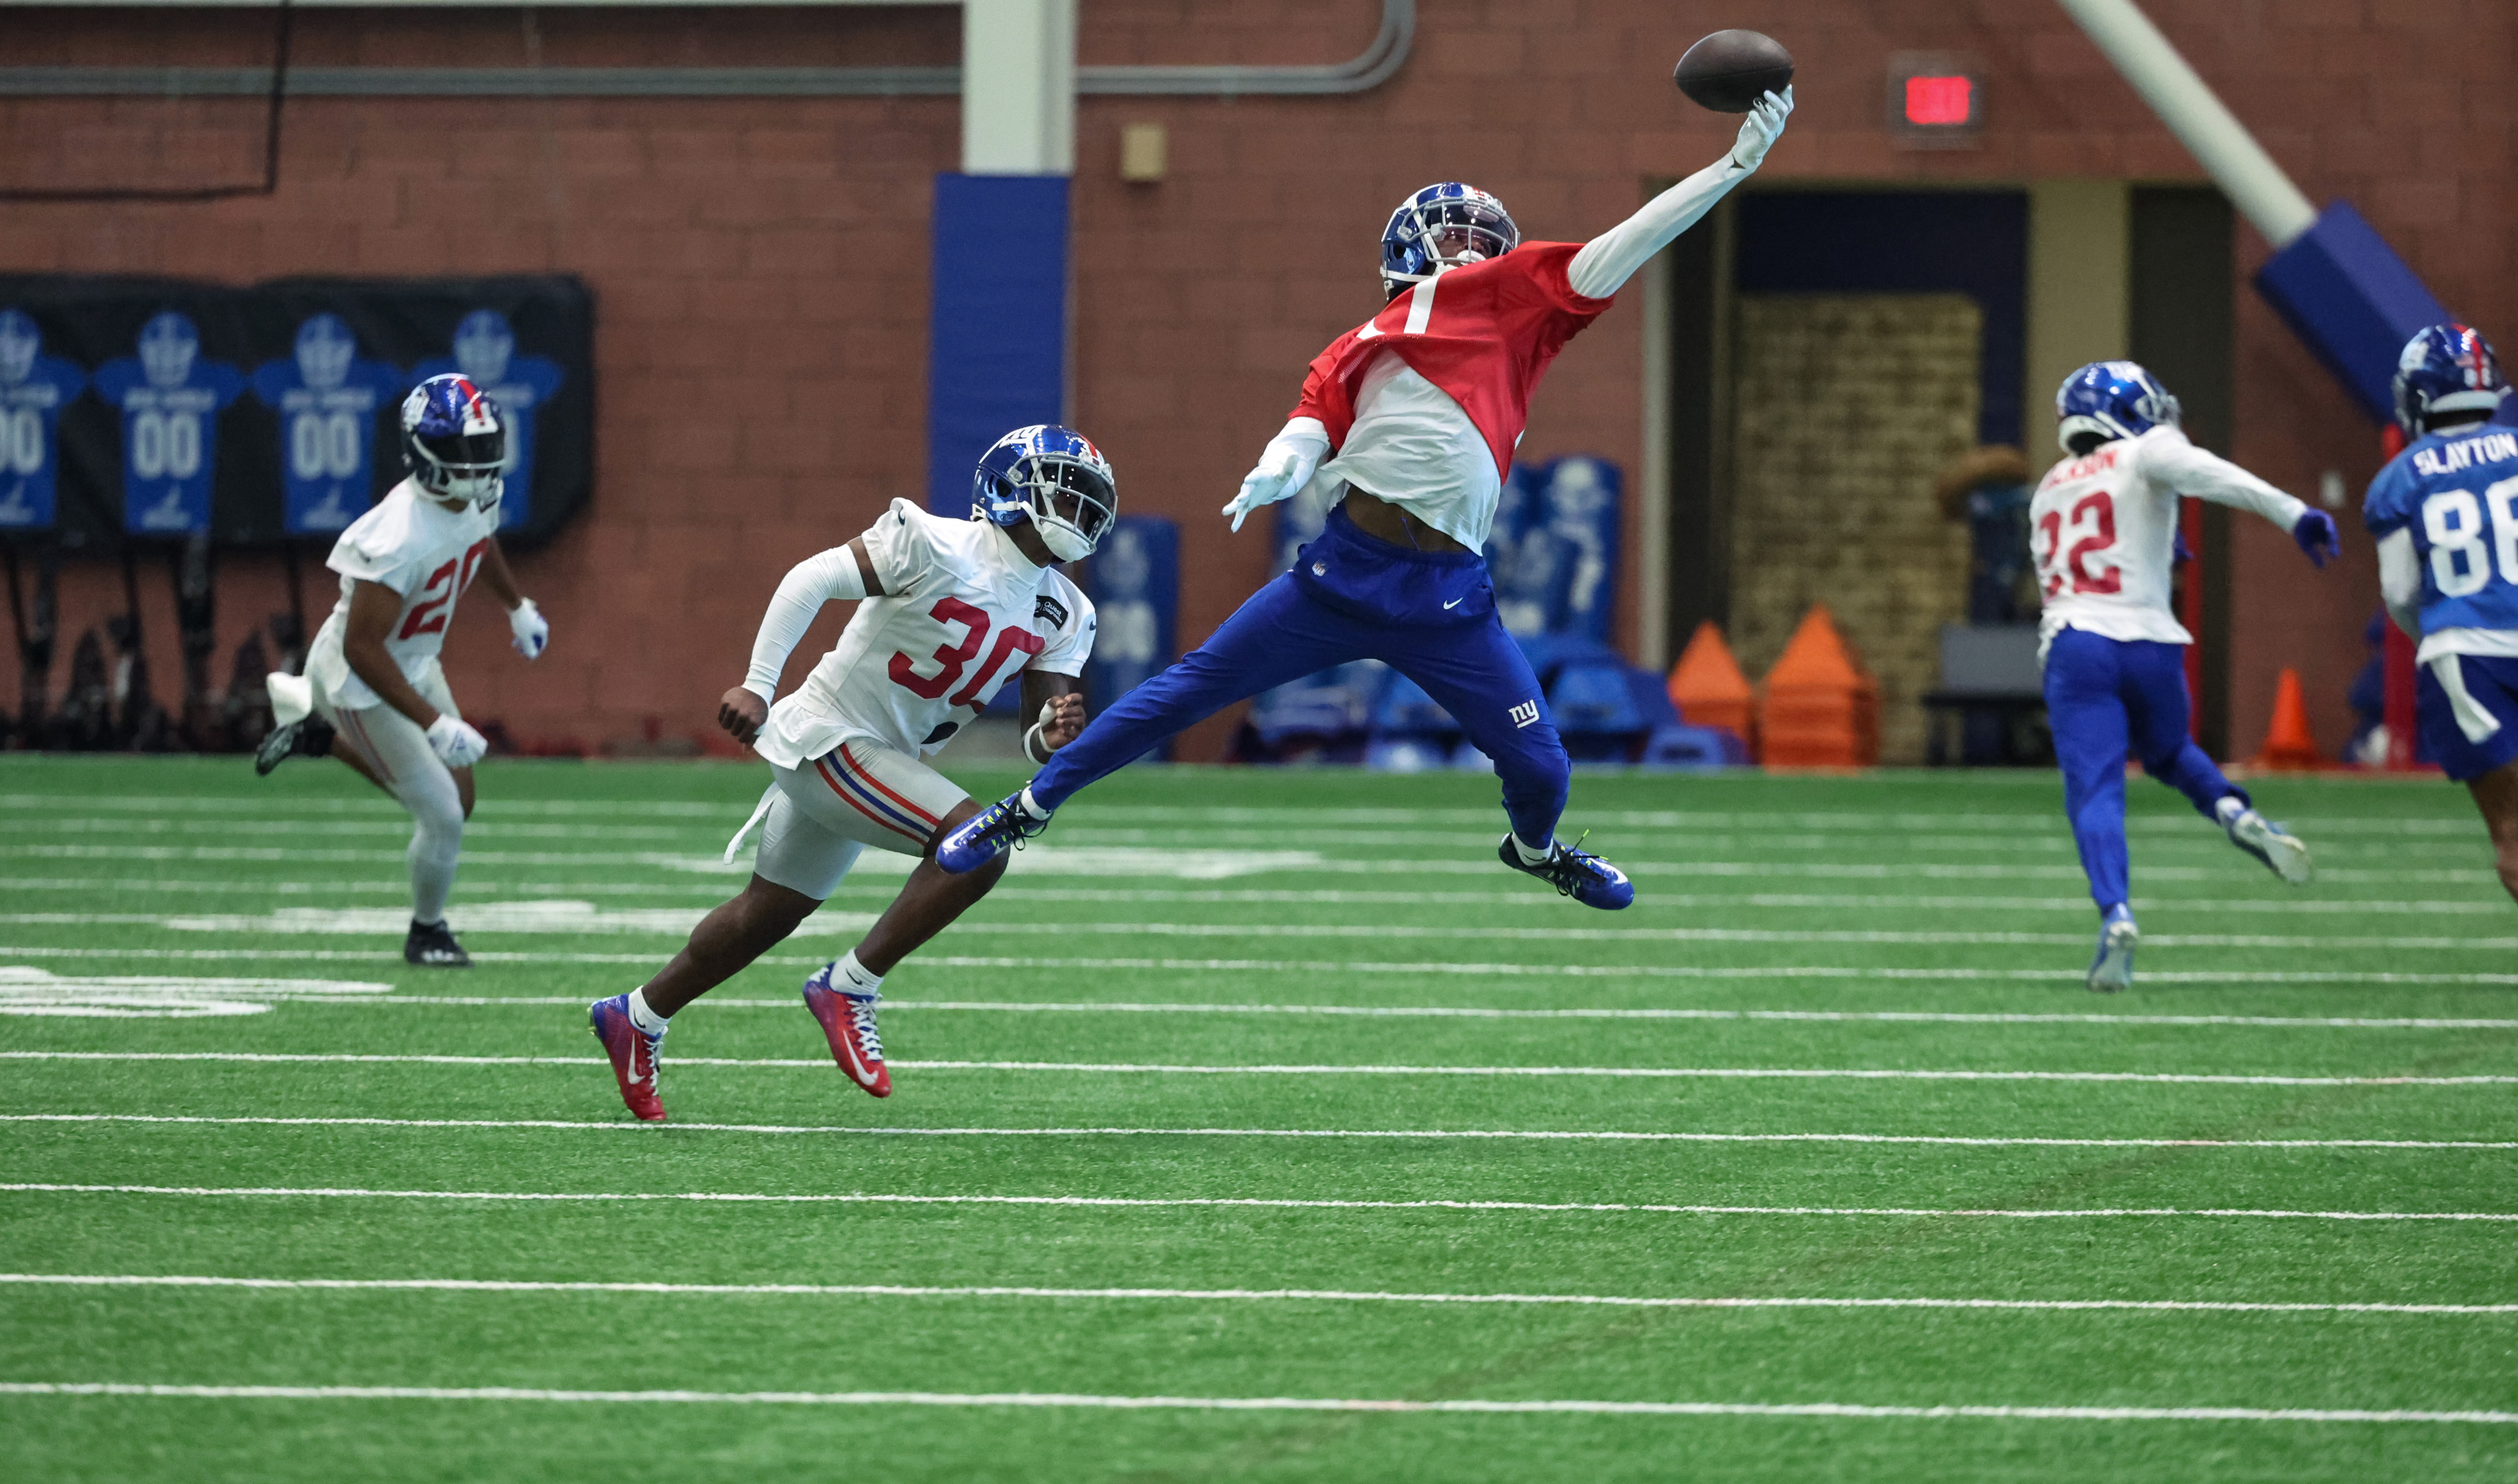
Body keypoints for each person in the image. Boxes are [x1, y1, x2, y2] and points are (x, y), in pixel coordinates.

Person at [933, 89, 1799, 905]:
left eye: (1476, 234)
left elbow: (1637, 235)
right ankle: (1025, 808)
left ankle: (1536, 850)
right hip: (1343, 575)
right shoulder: (1366, 340)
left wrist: (1733, 166)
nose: (1465, 245)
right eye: (1448, 232)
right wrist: (1282, 461)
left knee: (1543, 768)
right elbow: (1312, 419)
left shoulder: (1523, 306)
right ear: (1406, 250)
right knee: (1183, 689)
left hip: (1449, 597)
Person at [586, 425, 1108, 1121]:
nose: (1078, 514)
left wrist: (1052, 734)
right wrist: (757, 684)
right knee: (982, 842)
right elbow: (812, 577)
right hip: (830, 734)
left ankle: (637, 1016)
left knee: (763, 915)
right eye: (1066, 497)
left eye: (1087, 503)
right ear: (1011, 488)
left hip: (880, 760)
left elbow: (1038, 737)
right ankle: (851, 984)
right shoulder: (933, 542)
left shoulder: (1067, 609)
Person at [2032, 361, 2336, 992]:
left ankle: (2116, 910)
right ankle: (2234, 810)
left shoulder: (2050, 485)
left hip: (2078, 642)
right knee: (2170, 750)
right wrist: (2292, 512)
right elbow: (2207, 475)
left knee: (2097, 790)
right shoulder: (2149, 448)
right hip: (2151, 640)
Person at [253, 373, 549, 968]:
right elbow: (363, 647)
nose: (479, 464)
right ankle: (427, 931)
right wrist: (433, 722)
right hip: (359, 682)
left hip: (412, 663)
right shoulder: (393, 536)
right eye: (464, 450)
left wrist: (516, 606)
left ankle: (318, 738)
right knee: (441, 815)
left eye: (483, 447)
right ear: (424, 450)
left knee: (458, 800)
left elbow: (479, 539)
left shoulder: (471, 495)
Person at [2366, 324, 2518, 994]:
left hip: (2458, 650)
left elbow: (2401, 592)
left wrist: (2434, 637)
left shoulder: (2396, 480)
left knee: (2503, 822)